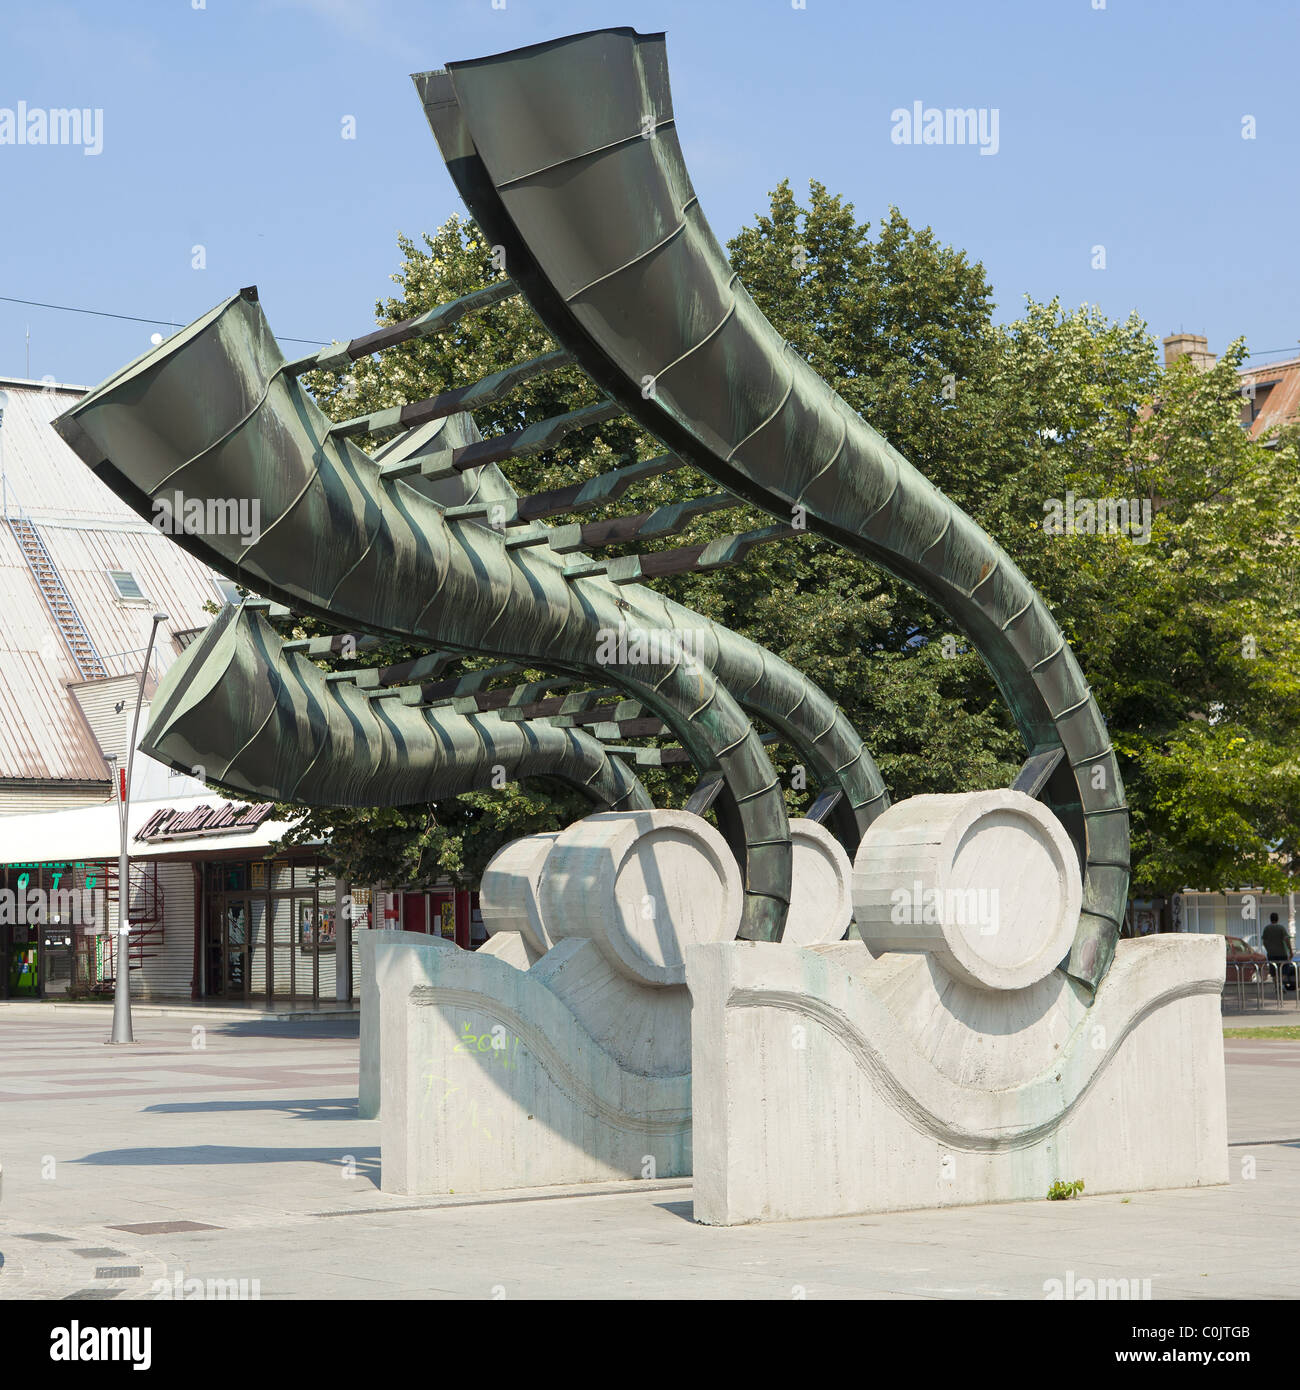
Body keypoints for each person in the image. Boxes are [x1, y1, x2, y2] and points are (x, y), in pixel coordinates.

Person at [1262, 913, 1291, 985]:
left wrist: (1268, 949)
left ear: (1270, 919)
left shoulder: (1267, 928)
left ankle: (1276, 985)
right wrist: (1290, 950)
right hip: (1282, 953)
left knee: (1273, 971)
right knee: (1284, 969)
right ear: (1278, 919)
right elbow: (1286, 939)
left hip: (1271, 954)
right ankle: (1280, 982)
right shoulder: (1281, 928)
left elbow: (1264, 941)